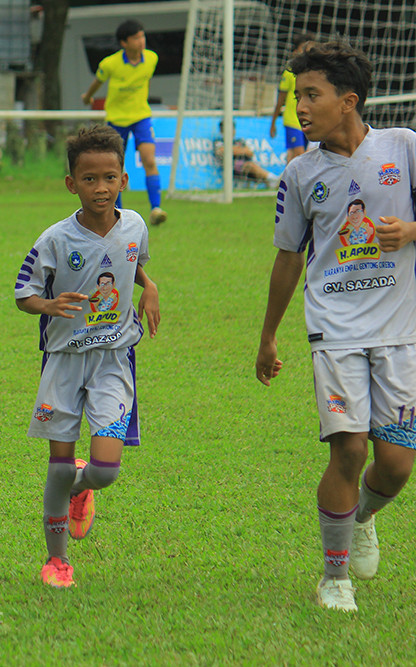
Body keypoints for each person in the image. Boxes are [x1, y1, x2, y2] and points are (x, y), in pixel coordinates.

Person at [255, 41, 416, 613]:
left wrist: (412, 230)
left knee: (395, 465)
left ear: (347, 101)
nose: (299, 106)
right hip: (336, 332)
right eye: (298, 95)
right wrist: (269, 334)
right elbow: (288, 258)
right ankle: (334, 577)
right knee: (348, 450)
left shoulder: (403, 148)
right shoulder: (300, 173)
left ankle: (364, 516)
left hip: (401, 333)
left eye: (311, 95)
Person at [15, 124, 160, 588]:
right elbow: (23, 294)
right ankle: (57, 562)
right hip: (62, 360)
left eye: (109, 177)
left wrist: (150, 288)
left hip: (113, 359)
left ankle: (81, 489)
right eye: (90, 179)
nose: (101, 187)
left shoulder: (135, 225)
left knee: (105, 469)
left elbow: (131, 264)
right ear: (71, 183)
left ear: (123, 179)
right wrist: (49, 305)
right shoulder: (55, 239)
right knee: (57, 465)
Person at [81, 20, 167, 226]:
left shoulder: (151, 58)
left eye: (142, 36)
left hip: (141, 117)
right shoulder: (110, 64)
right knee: (114, 168)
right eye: (136, 38)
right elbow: (97, 82)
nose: (141, 41)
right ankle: (116, 213)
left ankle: (156, 208)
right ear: (124, 42)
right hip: (117, 120)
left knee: (149, 160)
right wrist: (88, 97)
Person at [270, 33, 315, 164]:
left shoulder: (312, 74)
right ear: (296, 51)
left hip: (307, 121)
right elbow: (280, 100)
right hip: (292, 120)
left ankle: (284, 183)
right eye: (303, 49)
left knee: (293, 159)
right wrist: (273, 123)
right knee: (300, 158)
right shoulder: (289, 72)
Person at [213, 121, 280, 188]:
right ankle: (275, 179)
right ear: (222, 131)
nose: (231, 131)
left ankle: (272, 182)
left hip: (245, 164)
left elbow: (250, 152)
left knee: (251, 165)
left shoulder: (239, 141)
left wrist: (235, 150)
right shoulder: (219, 141)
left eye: (232, 128)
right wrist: (240, 150)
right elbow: (221, 150)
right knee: (249, 165)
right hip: (231, 167)